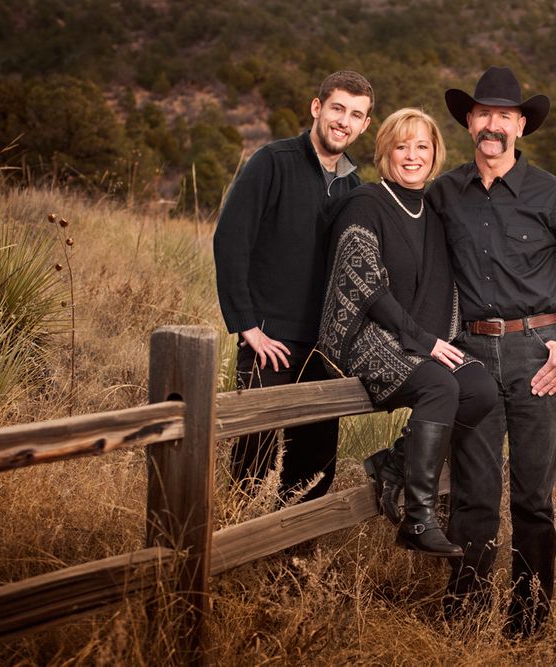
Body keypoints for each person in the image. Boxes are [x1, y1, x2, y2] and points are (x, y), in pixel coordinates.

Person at [426, 66, 556, 637]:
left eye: (504, 115)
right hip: (472, 356)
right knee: (473, 496)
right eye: (482, 113)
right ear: (469, 123)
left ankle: (528, 624)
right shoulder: (443, 195)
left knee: (533, 498)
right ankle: (464, 616)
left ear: (521, 126)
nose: (492, 125)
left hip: (541, 358)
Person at [317, 108, 498, 557]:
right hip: (364, 333)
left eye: (422, 146)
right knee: (439, 384)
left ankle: (392, 466)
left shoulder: (435, 211)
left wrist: (433, 340)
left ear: (435, 153)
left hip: (417, 340)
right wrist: (423, 342)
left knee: (478, 388)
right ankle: (418, 520)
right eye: (402, 146)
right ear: (385, 152)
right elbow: (365, 287)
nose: (412, 155)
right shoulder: (366, 203)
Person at [213, 71, 374, 503]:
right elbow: (230, 240)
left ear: (365, 125)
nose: (344, 121)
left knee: (314, 469)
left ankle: (295, 564)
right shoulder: (272, 161)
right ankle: (236, 549)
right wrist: (247, 325)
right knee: (254, 460)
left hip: (324, 351)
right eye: (337, 108)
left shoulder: (354, 188)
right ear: (316, 108)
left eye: (356, 114)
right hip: (271, 343)